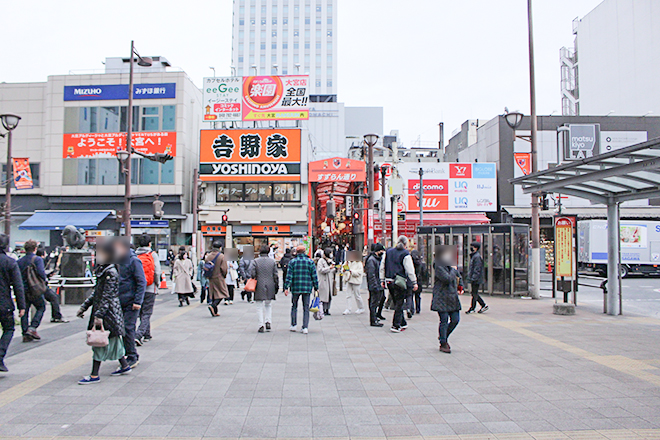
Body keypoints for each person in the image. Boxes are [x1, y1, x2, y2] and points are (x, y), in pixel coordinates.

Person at [76, 239, 131, 384]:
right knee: (113, 341)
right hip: (110, 312)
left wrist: (99, 315)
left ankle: (94, 375)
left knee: (99, 341)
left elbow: (106, 296)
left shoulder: (110, 272)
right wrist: (84, 306)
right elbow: (97, 293)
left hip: (107, 313)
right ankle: (124, 365)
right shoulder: (105, 270)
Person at [116, 238, 146, 369]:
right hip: (119, 300)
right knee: (119, 328)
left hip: (131, 302)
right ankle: (123, 355)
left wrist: (137, 301)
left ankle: (132, 356)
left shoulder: (134, 260)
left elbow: (141, 281)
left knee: (128, 328)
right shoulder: (117, 260)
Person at [379, 236, 418, 333]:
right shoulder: (405, 254)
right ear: (405, 244)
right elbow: (410, 269)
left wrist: (382, 279)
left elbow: (382, 266)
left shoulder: (388, 252)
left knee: (396, 301)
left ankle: (403, 322)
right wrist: (414, 282)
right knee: (399, 303)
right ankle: (396, 325)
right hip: (400, 281)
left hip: (389, 280)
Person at [0, 234, 25, 372]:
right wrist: (21, 306)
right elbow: (18, 285)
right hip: (4, 303)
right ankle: (0, 355)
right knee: (8, 328)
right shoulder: (9, 262)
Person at [431, 246, 463, 353]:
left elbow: (458, 276)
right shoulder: (439, 265)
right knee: (444, 320)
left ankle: (443, 337)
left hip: (452, 296)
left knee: (455, 319)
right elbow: (447, 278)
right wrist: (454, 270)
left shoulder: (449, 264)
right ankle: (443, 343)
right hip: (441, 296)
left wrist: (460, 285)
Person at [284, 245, 318, 334]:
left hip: (295, 287)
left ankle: (293, 325)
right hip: (307, 287)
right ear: (305, 252)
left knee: (294, 306)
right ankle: (305, 327)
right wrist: (316, 287)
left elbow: (289, 276)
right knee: (306, 307)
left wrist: (286, 287)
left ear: (296, 252)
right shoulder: (310, 262)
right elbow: (314, 276)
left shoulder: (292, 262)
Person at [17, 240, 47, 342]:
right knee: (41, 307)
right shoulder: (37, 259)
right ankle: (33, 327)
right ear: (35, 249)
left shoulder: (19, 261)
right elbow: (41, 273)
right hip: (34, 289)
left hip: (23, 289)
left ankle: (25, 333)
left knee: (24, 311)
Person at [135, 234, 162, 345]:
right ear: (150, 243)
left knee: (142, 312)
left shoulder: (134, 255)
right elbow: (157, 271)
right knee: (147, 312)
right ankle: (139, 334)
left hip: (137, 288)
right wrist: (157, 284)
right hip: (150, 288)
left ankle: (147, 334)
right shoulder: (152, 254)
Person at [250, 245, 278, 333]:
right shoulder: (272, 262)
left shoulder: (255, 261)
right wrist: (276, 285)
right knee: (268, 304)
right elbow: (275, 275)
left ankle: (261, 324)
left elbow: (252, 273)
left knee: (259, 305)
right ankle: (268, 321)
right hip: (270, 284)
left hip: (259, 284)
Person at [36, 248, 68, 324]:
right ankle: (56, 316)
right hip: (40, 286)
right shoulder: (39, 261)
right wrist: (46, 277)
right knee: (53, 297)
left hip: (32, 285)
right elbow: (41, 274)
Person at [206, 240, 229, 317]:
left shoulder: (208, 256)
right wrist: (224, 275)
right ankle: (213, 305)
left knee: (213, 294)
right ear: (220, 247)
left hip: (211, 277)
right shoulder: (221, 256)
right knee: (223, 293)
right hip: (219, 277)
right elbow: (224, 268)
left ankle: (215, 311)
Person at [365, 243, 385, 327]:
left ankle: (376, 317)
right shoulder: (372, 260)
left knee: (379, 300)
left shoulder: (376, 259)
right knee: (374, 302)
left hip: (377, 284)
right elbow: (371, 274)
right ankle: (373, 320)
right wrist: (375, 285)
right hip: (374, 285)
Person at [466, 242, 488, 314]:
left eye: (472, 246)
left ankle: (474, 308)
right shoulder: (474, 256)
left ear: (475, 247)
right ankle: (483, 305)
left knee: (474, 293)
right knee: (474, 293)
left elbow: (477, 269)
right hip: (475, 278)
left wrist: (474, 278)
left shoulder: (477, 257)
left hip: (476, 278)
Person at [316, 248, 335, 316]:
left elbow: (332, 270)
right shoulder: (321, 261)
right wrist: (329, 268)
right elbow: (320, 270)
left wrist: (334, 268)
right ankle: (322, 309)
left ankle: (327, 309)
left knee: (329, 296)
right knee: (323, 296)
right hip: (323, 280)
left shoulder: (330, 261)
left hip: (329, 280)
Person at [410, 250, 426, 315]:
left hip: (411, 281)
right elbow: (424, 272)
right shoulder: (421, 264)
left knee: (410, 296)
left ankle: (411, 309)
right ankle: (418, 308)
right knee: (418, 296)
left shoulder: (410, 263)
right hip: (419, 281)